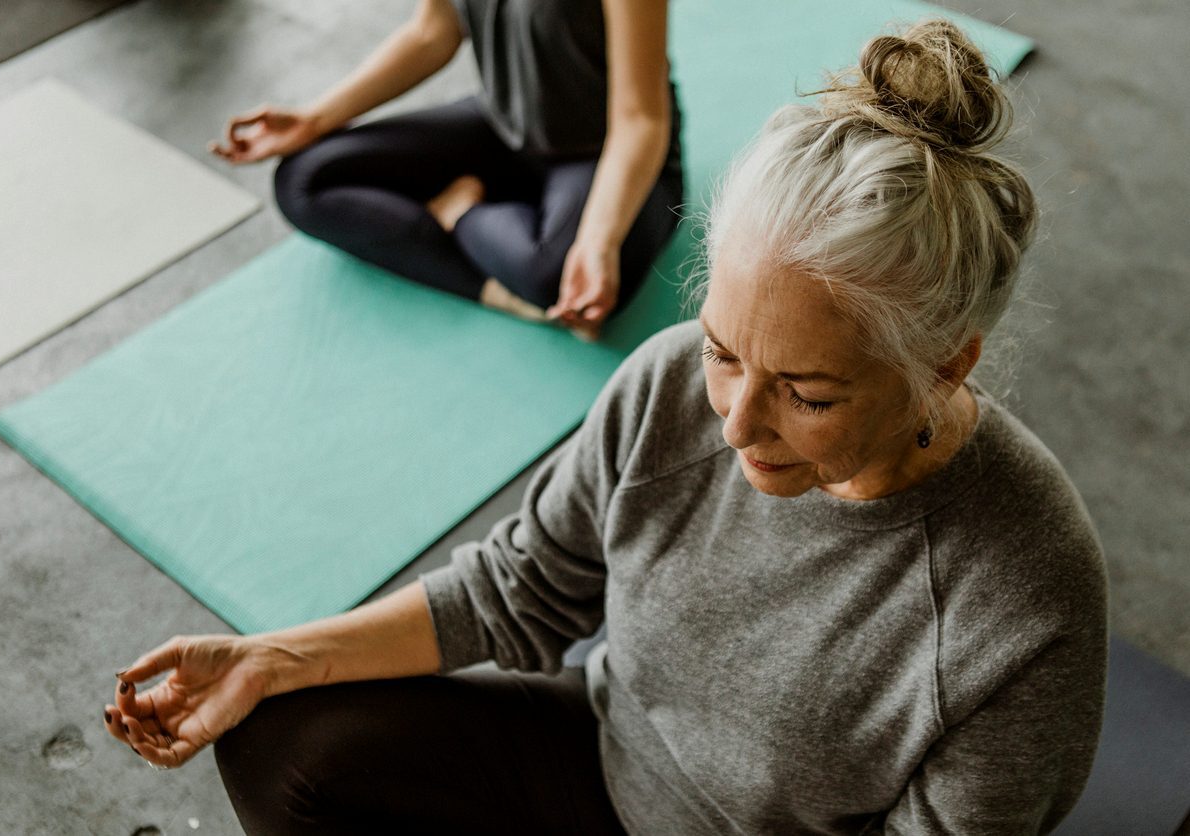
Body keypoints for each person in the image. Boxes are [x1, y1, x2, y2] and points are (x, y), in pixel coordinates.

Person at [106, 20, 1108, 834]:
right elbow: (520, 587)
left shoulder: (1022, 604)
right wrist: (271, 657)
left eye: (808, 394)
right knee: (285, 744)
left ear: (946, 363)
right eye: (724, 349)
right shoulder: (668, 387)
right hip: (601, 752)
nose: (735, 424)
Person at [209, 0, 683, 340]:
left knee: (557, 277)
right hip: (505, 127)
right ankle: (497, 279)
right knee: (304, 180)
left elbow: (641, 119)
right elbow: (432, 32)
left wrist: (597, 241)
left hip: (607, 152)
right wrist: (313, 119)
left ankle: (464, 215)